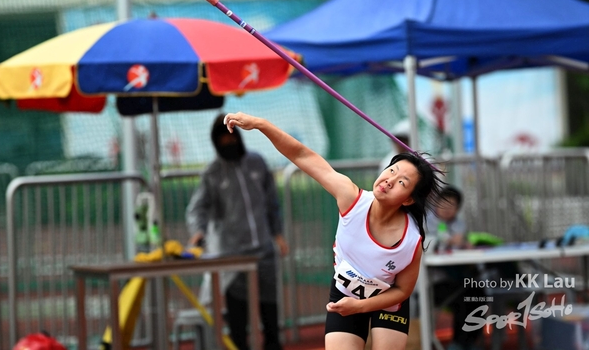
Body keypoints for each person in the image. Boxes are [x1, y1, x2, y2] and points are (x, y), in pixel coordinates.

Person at [223, 112, 445, 350]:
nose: (390, 180)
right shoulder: (350, 197)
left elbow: (402, 290)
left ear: (409, 199)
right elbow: (301, 155)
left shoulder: (411, 240)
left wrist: (361, 306)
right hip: (345, 294)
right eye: (392, 170)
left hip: (387, 301)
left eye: (402, 182)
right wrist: (261, 124)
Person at [185, 113, 289, 350]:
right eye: (223, 141)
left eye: (231, 139)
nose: (228, 144)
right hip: (233, 256)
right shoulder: (212, 173)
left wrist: (278, 235)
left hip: (263, 251)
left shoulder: (257, 163)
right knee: (238, 318)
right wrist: (198, 231)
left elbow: (272, 202)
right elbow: (197, 208)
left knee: (270, 311)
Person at [427, 185, 483, 350]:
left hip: (457, 276)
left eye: (452, 206)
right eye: (443, 204)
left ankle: (468, 342)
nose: (447, 209)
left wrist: (465, 245)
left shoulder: (459, 224)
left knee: (478, 293)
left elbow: (461, 248)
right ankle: (458, 344)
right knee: (462, 297)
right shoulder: (425, 221)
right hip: (432, 282)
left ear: (458, 208)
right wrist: (449, 241)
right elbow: (427, 247)